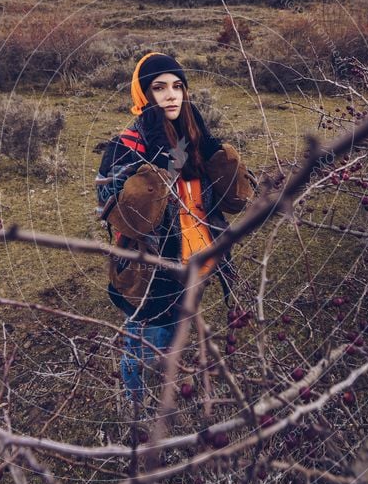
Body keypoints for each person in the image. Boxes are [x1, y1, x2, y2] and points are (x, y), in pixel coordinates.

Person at [96, 51, 256, 406]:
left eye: (177, 86)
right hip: (149, 274)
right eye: (159, 87)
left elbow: (227, 201)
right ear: (143, 94)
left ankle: (168, 409)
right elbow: (108, 207)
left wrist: (217, 153)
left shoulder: (194, 136)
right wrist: (153, 169)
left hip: (196, 262)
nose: (171, 95)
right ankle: (137, 416)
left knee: (174, 347)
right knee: (145, 351)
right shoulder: (126, 145)